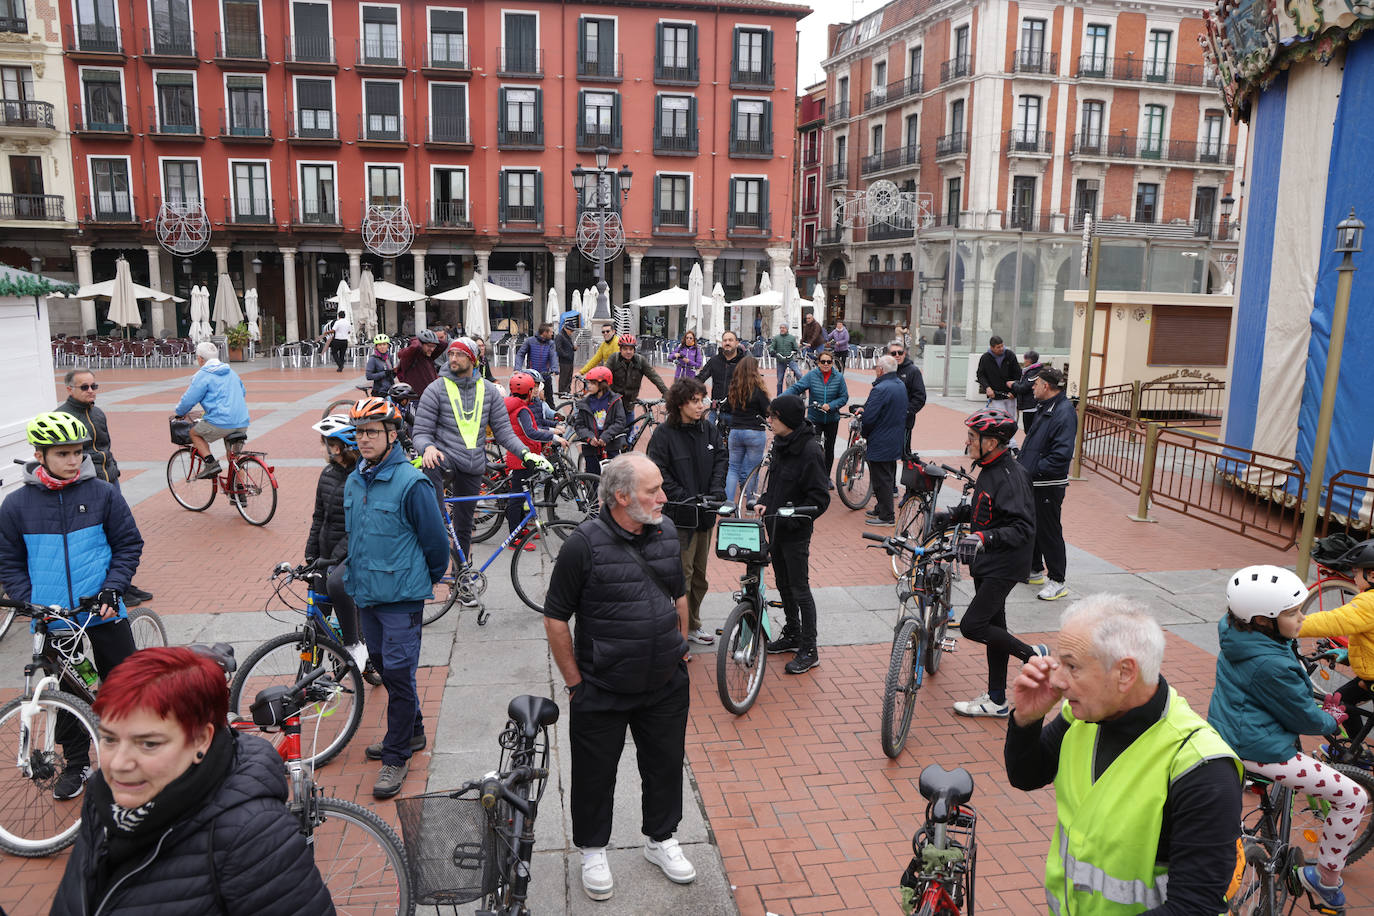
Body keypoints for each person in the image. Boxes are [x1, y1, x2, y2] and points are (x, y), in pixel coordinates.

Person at [50, 647, 334, 915]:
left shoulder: (251, 836)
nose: (119, 764)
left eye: (148, 743)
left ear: (200, 739)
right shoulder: (103, 799)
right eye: (110, 739)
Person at [1006, 595, 1243, 916]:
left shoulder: (1201, 768)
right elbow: (1026, 775)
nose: (1057, 679)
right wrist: (1026, 720)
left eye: (1072, 666)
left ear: (1125, 673)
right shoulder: (1082, 716)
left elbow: (1194, 908)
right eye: (1058, 662)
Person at [542, 453, 697, 901]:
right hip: (602, 687)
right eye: (653, 491)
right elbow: (556, 618)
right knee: (594, 774)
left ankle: (661, 839)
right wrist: (575, 683)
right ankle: (593, 850)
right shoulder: (582, 546)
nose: (664, 499)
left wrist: (679, 650)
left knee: (665, 765)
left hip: (664, 683)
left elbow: (679, 596)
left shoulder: (666, 532)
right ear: (622, 497)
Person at [0, 412, 143, 800]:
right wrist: (29, 600)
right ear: (39, 454)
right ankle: (77, 763)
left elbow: (129, 545)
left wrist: (113, 589)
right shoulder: (16, 505)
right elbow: (8, 560)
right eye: (63, 453)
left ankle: (131, 750)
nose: (74, 460)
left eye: (78, 452)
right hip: (52, 617)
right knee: (63, 696)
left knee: (123, 683)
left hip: (102, 608)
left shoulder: (102, 493)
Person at [1209, 566, 1367, 909]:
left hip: (1230, 732)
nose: (1301, 618)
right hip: (1261, 749)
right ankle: (1324, 880)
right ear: (1264, 619)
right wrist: (1333, 718)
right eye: (1293, 613)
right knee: (1352, 797)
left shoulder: (1238, 632)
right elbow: (1305, 719)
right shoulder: (1272, 665)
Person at [344, 397, 450, 798]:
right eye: (359, 432)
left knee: (401, 677)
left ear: (393, 435)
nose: (363, 439)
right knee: (386, 668)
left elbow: (436, 545)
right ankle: (415, 731)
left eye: (372, 431)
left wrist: (420, 579)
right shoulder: (356, 478)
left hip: (402, 598)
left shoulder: (412, 483)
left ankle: (396, 754)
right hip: (367, 593)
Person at [934, 409, 1039, 718]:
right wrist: (955, 516)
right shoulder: (991, 467)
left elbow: (1022, 528)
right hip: (991, 560)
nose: (968, 442)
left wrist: (982, 539)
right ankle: (996, 700)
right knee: (995, 628)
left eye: (973, 437)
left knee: (973, 625)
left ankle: (1033, 656)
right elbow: (991, 512)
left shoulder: (1009, 475)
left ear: (991, 442)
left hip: (1003, 562)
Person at [412, 337, 538, 560]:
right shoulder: (436, 389)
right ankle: (436, 520)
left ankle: (462, 576)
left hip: (473, 466)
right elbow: (420, 432)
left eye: (459, 354)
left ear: (472, 359)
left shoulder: (489, 391)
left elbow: (504, 432)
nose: (453, 358)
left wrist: (526, 453)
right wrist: (428, 448)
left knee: (465, 525)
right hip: (446, 459)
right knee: (431, 464)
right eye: (450, 354)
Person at [57, 366, 153, 605]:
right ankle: (110, 587)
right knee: (99, 537)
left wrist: (114, 470)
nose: (91, 391)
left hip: (110, 481)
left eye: (94, 386)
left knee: (119, 533)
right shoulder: (63, 417)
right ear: (69, 389)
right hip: (88, 485)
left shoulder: (97, 413)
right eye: (85, 387)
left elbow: (106, 448)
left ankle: (122, 584)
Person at [647, 378, 726, 648]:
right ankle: (680, 627)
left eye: (702, 399)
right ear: (680, 404)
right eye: (695, 401)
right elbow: (658, 470)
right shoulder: (664, 434)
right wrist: (683, 497)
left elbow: (721, 459)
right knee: (683, 574)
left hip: (705, 515)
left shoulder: (708, 429)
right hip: (680, 516)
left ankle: (691, 622)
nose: (701, 405)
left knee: (700, 575)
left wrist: (716, 491)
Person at [760, 395, 831, 673]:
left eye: (773, 417)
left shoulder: (810, 451)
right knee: (783, 583)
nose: (769, 421)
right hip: (774, 526)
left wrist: (793, 515)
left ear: (787, 419)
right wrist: (766, 499)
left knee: (800, 588)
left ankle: (809, 648)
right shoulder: (781, 443)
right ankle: (793, 633)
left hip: (795, 531)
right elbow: (774, 482)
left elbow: (820, 499)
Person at [305, 415, 370, 675]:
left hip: (345, 555)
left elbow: (358, 525)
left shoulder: (361, 478)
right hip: (325, 555)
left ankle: (357, 646)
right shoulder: (327, 474)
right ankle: (308, 676)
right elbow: (319, 517)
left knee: (341, 592)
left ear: (338, 447)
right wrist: (311, 553)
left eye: (325, 443)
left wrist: (335, 557)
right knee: (315, 623)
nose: (322, 449)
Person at [1298, 539, 1374, 760]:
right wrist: (1349, 656)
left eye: (1356, 571)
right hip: (1368, 675)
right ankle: (1356, 753)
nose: (1353, 576)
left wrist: (1288, 625)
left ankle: (1356, 757)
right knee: (1342, 701)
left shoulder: (1368, 603)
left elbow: (1333, 621)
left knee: (1342, 703)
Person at [1016, 367, 1075, 601]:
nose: (1032, 387)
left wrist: (1034, 469)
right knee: (1034, 525)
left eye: (1036, 383)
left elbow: (1061, 454)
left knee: (1049, 530)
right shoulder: (1046, 407)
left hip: (1048, 482)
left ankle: (1058, 580)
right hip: (1035, 479)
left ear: (1047, 386)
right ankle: (1034, 569)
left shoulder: (1064, 412)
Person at [503, 371, 567, 544]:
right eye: (534, 388)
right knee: (517, 499)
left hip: (523, 457)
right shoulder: (522, 410)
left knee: (523, 496)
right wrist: (554, 437)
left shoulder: (519, 406)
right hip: (521, 459)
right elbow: (530, 432)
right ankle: (514, 536)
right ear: (529, 391)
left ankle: (521, 529)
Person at [173, 341, 250, 481]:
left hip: (221, 422)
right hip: (242, 421)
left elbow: (189, 400)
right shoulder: (231, 372)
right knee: (234, 458)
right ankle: (240, 492)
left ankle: (210, 463)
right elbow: (242, 392)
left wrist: (179, 412)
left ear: (201, 359)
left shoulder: (203, 375)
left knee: (194, 433)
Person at [786, 349, 848, 487]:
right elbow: (797, 388)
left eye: (829, 362)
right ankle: (813, 477)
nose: (826, 364)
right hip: (815, 417)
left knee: (829, 448)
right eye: (823, 362)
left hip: (832, 418)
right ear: (818, 363)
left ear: (832, 363)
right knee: (813, 448)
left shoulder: (838, 377)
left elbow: (844, 397)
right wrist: (781, 398)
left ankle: (826, 478)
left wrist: (831, 405)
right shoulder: (812, 375)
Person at [859, 355, 907, 526]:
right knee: (885, 475)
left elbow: (870, 418)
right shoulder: (900, 385)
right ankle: (881, 508)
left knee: (881, 479)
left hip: (881, 439)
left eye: (876, 368)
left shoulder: (880, 389)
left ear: (881, 370)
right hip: (894, 438)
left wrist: (865, 433)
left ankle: (887, 515)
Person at [723, 356, 770, 506]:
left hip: (736, 431)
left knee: (733, 468)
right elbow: (767, 410)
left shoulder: (734, 387)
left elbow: (728, 408)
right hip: (755, 431)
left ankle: (729, 502)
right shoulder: (758, 390)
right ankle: (750, 501)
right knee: (752, 469)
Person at [573, 366, 627, 476]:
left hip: (611, 446)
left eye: (592, 383)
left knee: (613, 479)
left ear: (603, 385)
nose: (589, 386)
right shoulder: (585, 402)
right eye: (588, 383)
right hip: (591, 449)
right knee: (593, 480)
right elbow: (579, 425)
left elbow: (620, 422)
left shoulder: (615, 401)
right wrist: (589, 437)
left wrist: (606, 436)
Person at [605, 333, 668, 423]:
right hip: (614, 401)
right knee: (614, 427)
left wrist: (665, 392)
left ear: (634, 350)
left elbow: (654, 377)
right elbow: (604, 375)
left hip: (630, 402)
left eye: (631, 349)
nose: (628, 352)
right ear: (620, 349)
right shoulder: (614, 359)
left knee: (630, 428)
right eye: (625, 349)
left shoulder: (640, 361)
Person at [696, 330, 744, 427]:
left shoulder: (743, 362)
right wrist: (687, 387)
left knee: (734, 440)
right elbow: (701, 377)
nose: (727, 343)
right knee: (709, 436)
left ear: (736, 343)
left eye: (730, 340)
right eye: (725, 340)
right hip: (716, 408)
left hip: (736, 411)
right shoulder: (714, 360)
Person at [888, 340, 927, 458]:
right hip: (886, 420)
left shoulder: (913, 371)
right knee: (888, 455)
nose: (897, 356)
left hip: (903, 422)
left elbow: (920, 397)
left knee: (903, 454)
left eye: (900, 352)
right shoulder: (887, 370)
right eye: (893, 353)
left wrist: (906, 411)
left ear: (904, 353)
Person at [976, 335, 1021, 417]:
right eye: (998, 347)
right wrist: (987, 387)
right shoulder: (985, 358)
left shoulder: (1010, 355)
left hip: (1010, 395)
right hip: (995, 395)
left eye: (1002, 346)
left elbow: (1018, 374)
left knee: (1011, 419)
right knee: (999, 418)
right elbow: (980, 375)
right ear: (992, 348)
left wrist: (1014, 392)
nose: (1001, 349)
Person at [516, 322, 560, 399]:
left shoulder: (551, 343)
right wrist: (517, 368)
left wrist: (554, 368)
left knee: (549, 399)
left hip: (545, 376)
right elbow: (520, 354)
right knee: (529, 398)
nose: (552, 334)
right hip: (532, 376)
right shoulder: (530, 341)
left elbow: (553, 356)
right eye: (551, 332)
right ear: (544, 332)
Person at [1008, 350, 1045, 433]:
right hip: (1031, 405)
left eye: (1025, 359)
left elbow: (1024, 388)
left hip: (1031, 406)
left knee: (1029, 431)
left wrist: (1013, 384)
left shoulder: (1033, 372)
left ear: (1028, 360)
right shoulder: (1034, 370)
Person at [395, 328, 441, 393]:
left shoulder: (427, 356)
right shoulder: (410, 357)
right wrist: (416, 339)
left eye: (434, 346)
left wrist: (434, 338)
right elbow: (415, 347)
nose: (432, 349)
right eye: (429, 346)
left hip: (430, 396)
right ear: (421, 344)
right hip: (415, 398)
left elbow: (443, 345)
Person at [767, 323, 801, 393]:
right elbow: (772, 346)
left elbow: (795, 347)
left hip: (790, 360)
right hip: (780, 361)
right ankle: (779, 396)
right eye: (781, 328)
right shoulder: (776, 338)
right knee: (779, 380)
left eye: (784, 328)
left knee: (799, 374)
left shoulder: (792, 338)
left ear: (787, 329)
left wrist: (796, 350)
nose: (782, 329)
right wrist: (772, 351)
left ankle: (801, 390)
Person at [557, 317, 579, 394]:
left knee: (569, 376)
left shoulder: (567, 336)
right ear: (566, 329)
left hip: (570, 360)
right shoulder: (560, 336)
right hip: (564, 361)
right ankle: (562, 392)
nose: (572, 332)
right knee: (564, 377)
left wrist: (573, 348)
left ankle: (567, 390)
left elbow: (569, 346)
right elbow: (559, 349)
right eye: (571, 330)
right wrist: (566, 355)